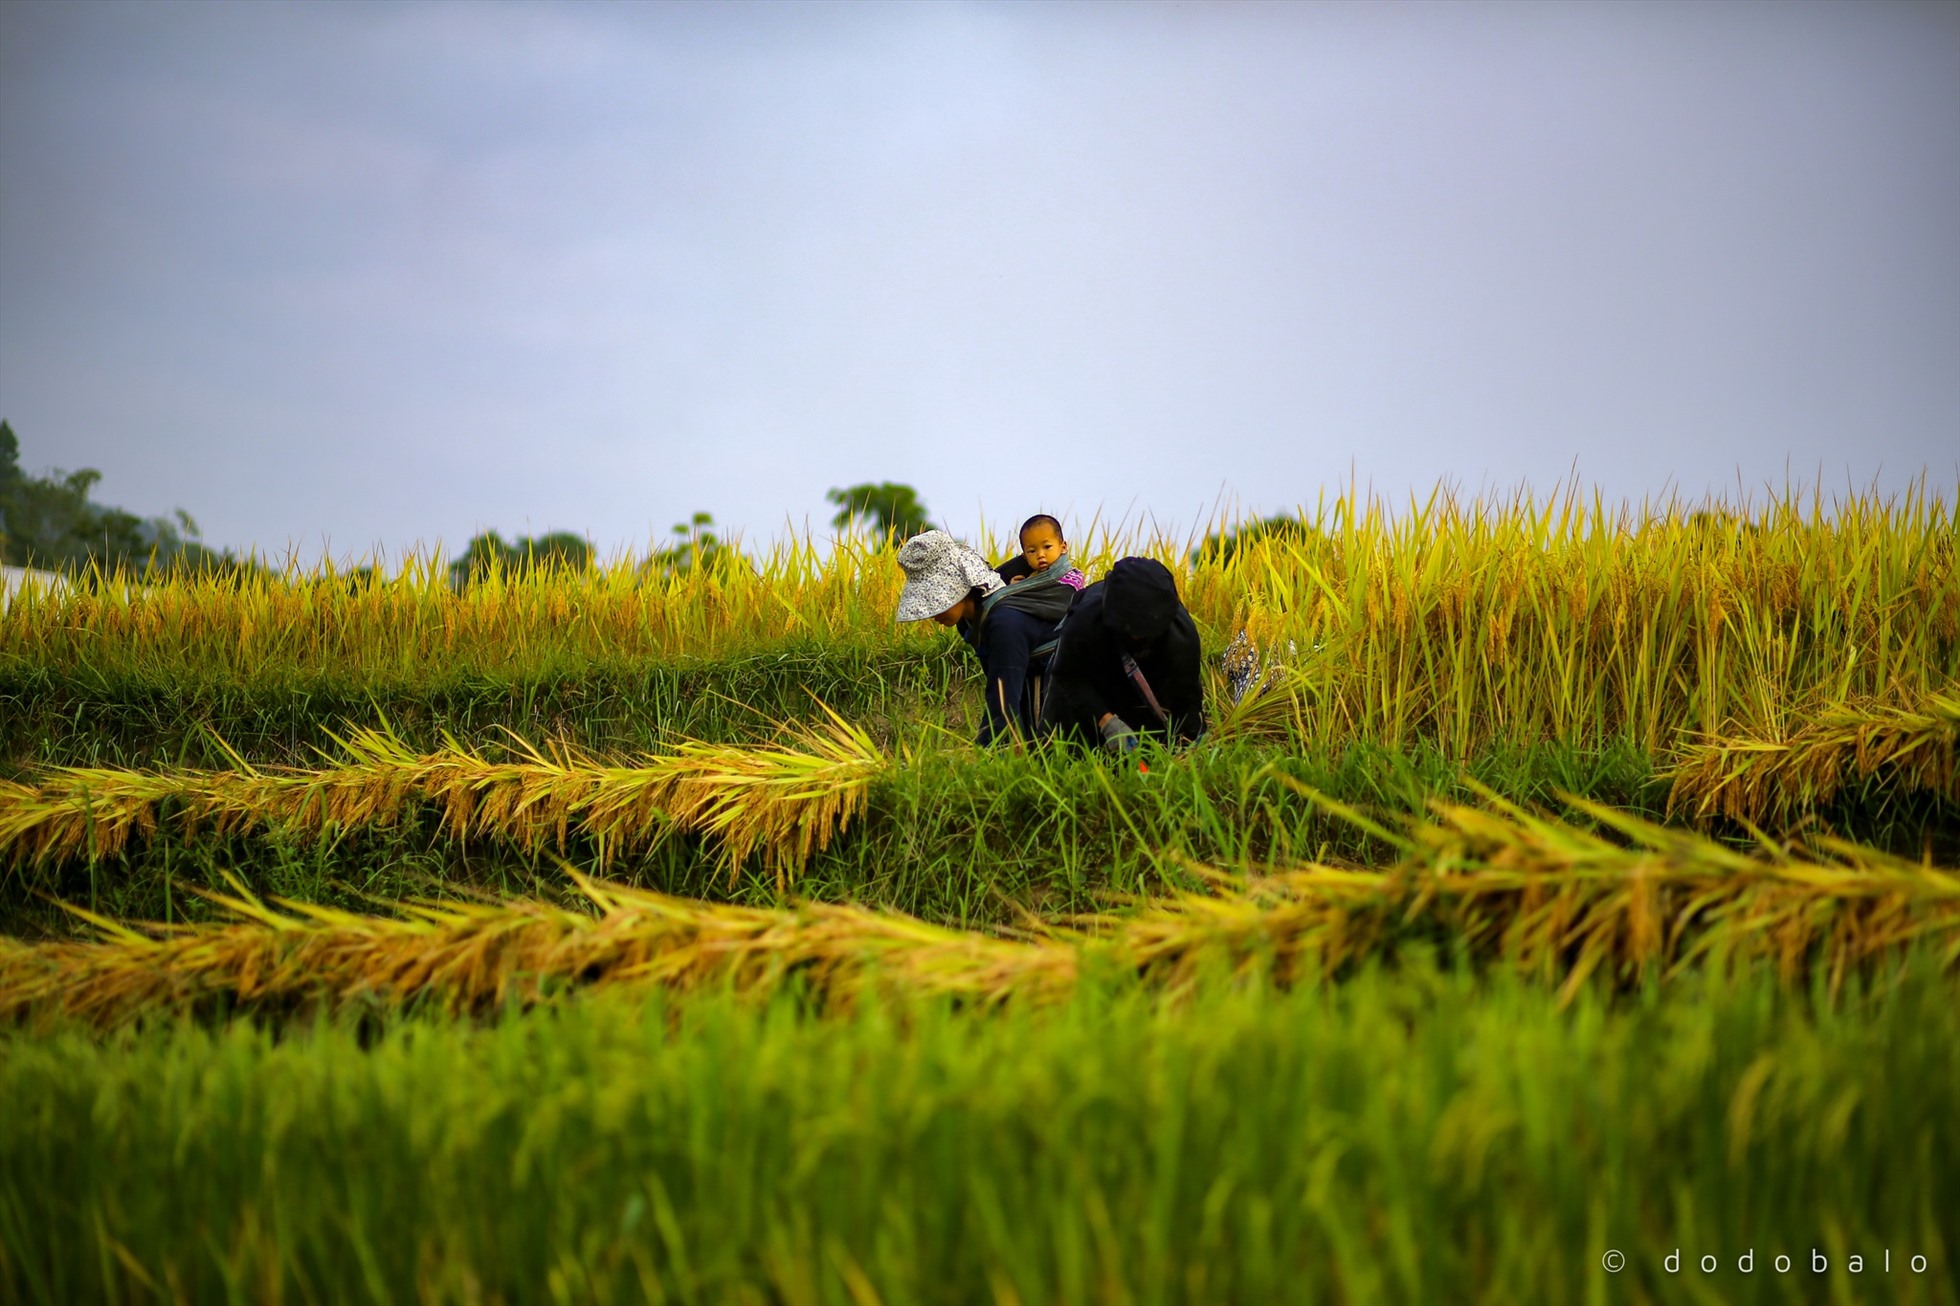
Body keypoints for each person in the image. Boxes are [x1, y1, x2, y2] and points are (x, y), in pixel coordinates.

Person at [895, 530, 1077, 745]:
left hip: (1061, 702)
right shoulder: (969, 622)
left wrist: (985, 751)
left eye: (933, 601)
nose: (931, 613)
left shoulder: (1003, 622)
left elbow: (1003, 700)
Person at [1040, 556, 1206, 752]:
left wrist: (1192, 745)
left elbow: (1186, 698)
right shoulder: (1085, 622)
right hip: (1091, 671)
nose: (1137, 638)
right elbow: (1068, 676)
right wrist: (1106, 721)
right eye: (1132, 632)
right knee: (1070, 746)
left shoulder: (1181, 637)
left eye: (1145, 633)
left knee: (1148, 749)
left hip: (1148, 682)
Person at [998, 514, 1087, 591]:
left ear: (1063, 547)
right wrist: (1014, 588)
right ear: (1025, 557)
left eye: (1047, 547)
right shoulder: (1030, 578)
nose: (1040, 555)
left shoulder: (1071, 577)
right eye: (1032, 551)